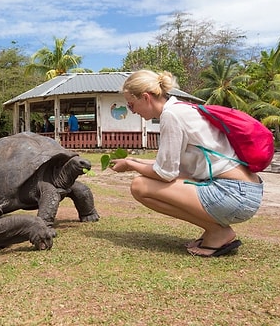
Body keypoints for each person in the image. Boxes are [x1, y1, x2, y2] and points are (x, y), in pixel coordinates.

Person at [110, 70, 263, 257]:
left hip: (232, 194)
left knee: (139, 186)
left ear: (145, 97)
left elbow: (165, 174)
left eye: (131, 105)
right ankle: (214, 230)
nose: (133, 111)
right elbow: (170, 167)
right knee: (144, 182)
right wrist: (131, 161)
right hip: (245, 192)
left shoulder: (171, 116)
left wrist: (131, 165)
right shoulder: (181, 109)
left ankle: (217, 231)